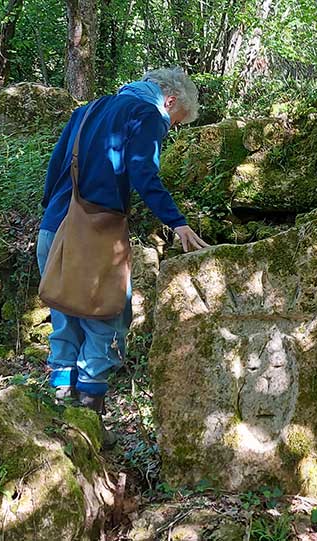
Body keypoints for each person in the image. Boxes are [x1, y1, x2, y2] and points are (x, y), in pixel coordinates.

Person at [37, 67, 207, 429]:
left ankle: (57, 422)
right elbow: (143, 172)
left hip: (54, 231)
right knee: (107, 322)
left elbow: (54, 171)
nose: (170, 129)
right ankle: (87, 427)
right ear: (170, 100)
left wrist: (57, 219)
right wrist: (177, 222)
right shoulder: (147, 114)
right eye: (175, 122)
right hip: (95, 239)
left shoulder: (87, 110)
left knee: (65, 323)